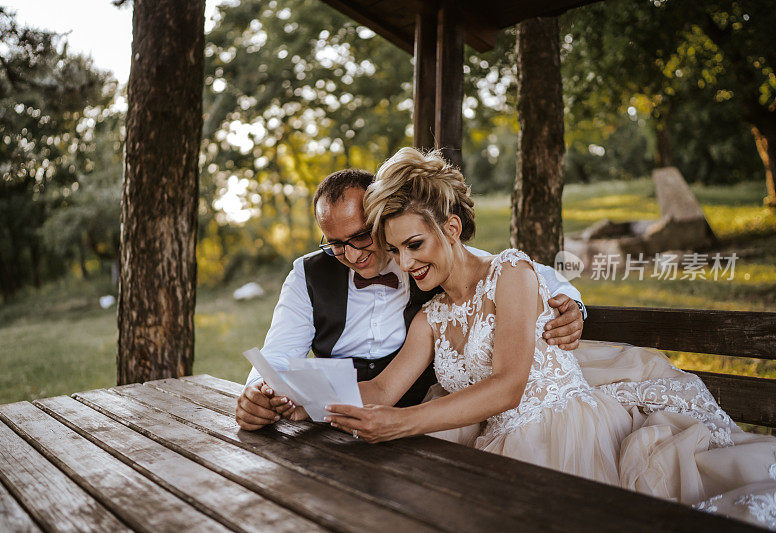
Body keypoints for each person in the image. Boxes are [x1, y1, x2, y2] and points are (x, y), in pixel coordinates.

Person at [324, 147, 776, 529]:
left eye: (414, 244)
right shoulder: (432, 317)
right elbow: (382, 389)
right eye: (397, 250)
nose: (404, 263)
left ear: (452, 228)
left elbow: (509, 384)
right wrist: (302, 396)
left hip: (568, 433)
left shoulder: (511, 274)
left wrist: (404, 422)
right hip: (498, 447)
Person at [235, 168, 587, 431]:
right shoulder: (428, 312)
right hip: (378, 424)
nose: (353, 255)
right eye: (336, 243)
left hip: (539, 421)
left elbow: (524, 272)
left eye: (360, 237)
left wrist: (571, 302)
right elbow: (375, 388)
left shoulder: (438, 251)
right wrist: (293, 403)